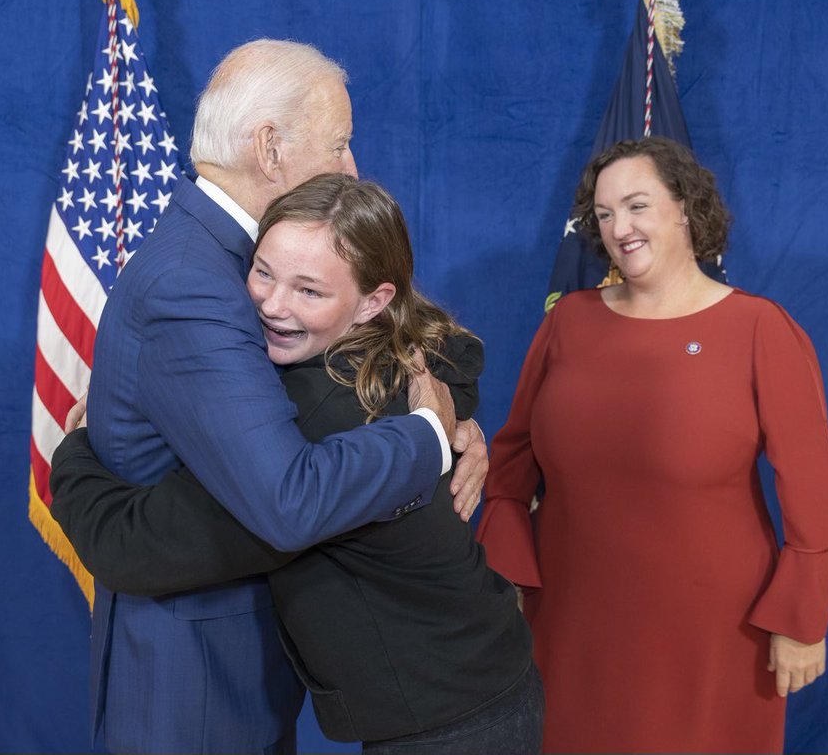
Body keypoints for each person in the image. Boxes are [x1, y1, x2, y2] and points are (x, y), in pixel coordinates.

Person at [80, 40, 487, 754]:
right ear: (270, 149)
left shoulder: (244, 258)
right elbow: (286, 500)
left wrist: (459, 425)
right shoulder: (195, 282)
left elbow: (417, 339)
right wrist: (427, 436)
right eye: (339, 143)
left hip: (243, 648)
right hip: (195, 670)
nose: (351, 166)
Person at [51, 174, 542, 754]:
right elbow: (455, 353)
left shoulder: (314, 420)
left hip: (453, 726)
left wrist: (73, 451)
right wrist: (446, 426)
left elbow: (131, 548)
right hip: (481, 685)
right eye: (262, 272)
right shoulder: (402, 359)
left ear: (373, 301)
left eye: (309, 291)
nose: (271, 305)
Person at [475, 137, 828, 754]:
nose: (618, 228)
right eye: (603, 215)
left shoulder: (760, 328)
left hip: (715, 629)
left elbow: (812, 487)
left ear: (685, 206)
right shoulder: (567, 322)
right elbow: (513, 458)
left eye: (636, 206)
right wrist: (507, 571)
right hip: (571, 620)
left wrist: (801, 617)